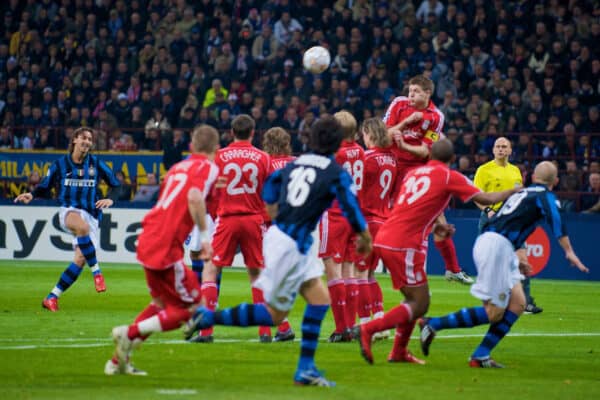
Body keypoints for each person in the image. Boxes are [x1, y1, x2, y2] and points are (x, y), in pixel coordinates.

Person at [184, 116, 372, 387]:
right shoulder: (334, 171)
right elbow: (351, 207)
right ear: (336, 145)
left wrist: (274, 213)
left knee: (313, 302)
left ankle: (303, 367)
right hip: (291, 243)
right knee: (278, 313)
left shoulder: (299, 162)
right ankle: (210, 319)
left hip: (282, 238)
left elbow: (271, 187)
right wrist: (364, 236)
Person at [356, 139, 516, 365]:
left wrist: (436, 225)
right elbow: (486, 198)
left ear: (430, 156)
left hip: (385, 237)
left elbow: (414, 207)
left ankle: (399, 352)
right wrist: (515, 191)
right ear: (452, 159)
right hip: (404, 243)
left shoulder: (415, 174)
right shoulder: (449, 176)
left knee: (414, 299)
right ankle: (369, 329)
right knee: (420, 303)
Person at [419, 161, 589, 368]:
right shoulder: (544, 196)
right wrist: (569, 252)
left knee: (518, 303)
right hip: (497, 247)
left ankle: (481, 355)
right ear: (556, 181)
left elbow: (506, 221)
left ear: (533, 177)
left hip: (498, 245)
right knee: (494, 312)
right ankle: (432, 324)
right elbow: (556, 221)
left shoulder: (521, 194)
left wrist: (514, 257)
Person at [106, 124, 219, 375]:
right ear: (216, 148)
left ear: (191, 146)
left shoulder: (177, 168)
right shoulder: (208, 167)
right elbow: (194, 197)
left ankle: (117, 363)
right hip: (166, 245)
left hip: (148, 235)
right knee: (193, 308)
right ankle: (129, 332)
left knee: (159, 303)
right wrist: (204, 239)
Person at [14, 127, 120, 311]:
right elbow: (44, 187)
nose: (87, 142)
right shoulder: (60, 164)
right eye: (84, 138)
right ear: (75, 140)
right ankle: (97, 272)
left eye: (90, 139)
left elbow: (117, 186)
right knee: (82, 228)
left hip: (92, 215)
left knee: (80, 259)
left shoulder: (96, 163)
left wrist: (111, 198)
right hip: (69, 211)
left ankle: (52, 297)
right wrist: (31, 195)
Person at [384, 74, 473, 285]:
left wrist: (404, 145)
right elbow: (383, 135)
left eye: (415, 92)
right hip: (390, 163)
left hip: (416, 168)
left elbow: (425, 151)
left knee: (438, 219)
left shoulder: (435, 117)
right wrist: (405, 123)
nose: (410, 95)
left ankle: (452, 269)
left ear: (427, 93)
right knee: (381, 211)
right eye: (409, 91)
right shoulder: (399, 104)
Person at [200, 114, 273, 342]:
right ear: (253, 132)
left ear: (231, 132)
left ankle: (205, 331)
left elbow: (209, 190)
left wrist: (216, 213)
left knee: (211, 270)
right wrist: (264, 218)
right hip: (253, 220)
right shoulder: (263, 157)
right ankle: (265, 332)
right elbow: (270, 193)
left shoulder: (219, 157)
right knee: (256, 274)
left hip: (228, 218)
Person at [473, 137, 542, 314]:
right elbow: (475, 195)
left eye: (504, 147)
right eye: (498, 146)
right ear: (493, 150)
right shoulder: (484, 170)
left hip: (513, 220)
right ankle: (490, 301)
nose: (501, 149)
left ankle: (525, 302)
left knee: (522, 260)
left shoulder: (515, 172)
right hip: (491, 219)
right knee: (491, 263)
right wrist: (488, 209)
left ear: (510, 151)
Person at [318, 110, 365, 342]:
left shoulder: (334, 155)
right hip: (354, 215)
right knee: (350, 271)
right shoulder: (360, 152)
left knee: (332, 270)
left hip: (334, 214)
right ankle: (351, 325)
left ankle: (341, 329)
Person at [355, 118, 398, 340]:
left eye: (364, 134)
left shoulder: (367, 158)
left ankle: (365, 326)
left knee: (359, 274)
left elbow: (357, 188)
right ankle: (381, 322)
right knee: (370, 274)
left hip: (367, 220)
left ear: (369, 134)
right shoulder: (392, 159)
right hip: (384, 220)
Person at [261, 126, 297, 342]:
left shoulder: (265, 163)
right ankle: (283, 326)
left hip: (272, 225)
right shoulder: (296, 163)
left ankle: (282, 326)